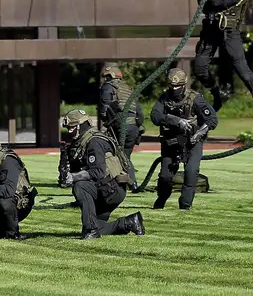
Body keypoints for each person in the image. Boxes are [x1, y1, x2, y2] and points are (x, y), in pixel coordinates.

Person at [59, 109, 145, 240]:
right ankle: (130, 222)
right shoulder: (81, 142)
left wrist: (73, 177)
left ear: (81, 125)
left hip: (111, 189)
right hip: (107, 188)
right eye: (68, 128)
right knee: (98, 226)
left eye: (72, 127)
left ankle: (91, 231)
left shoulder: (94, 142)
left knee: (80, 186)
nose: (69, 131)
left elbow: (98, 172)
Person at [150, 68, 218, 210]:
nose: (174, 89)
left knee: (191, 172)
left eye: (178, 86)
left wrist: (199, 133)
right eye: (172, 86)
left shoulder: (195, 99)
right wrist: (175, 120)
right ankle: (161, 199)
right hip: (171, 141)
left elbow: (212, 119)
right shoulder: (164, 99)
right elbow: (155, 116)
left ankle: (185, 205)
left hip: (192, 141)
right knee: (165, 176)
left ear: (184, 84)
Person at [98, 62, 144, 192]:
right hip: (133, 127)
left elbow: (104, 109)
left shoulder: (108, 87)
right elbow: (139, 113)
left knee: (113, 155)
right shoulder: (128, 89)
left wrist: (106, 122)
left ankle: (122, 182)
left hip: (119, 126)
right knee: (125, 156)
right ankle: (132, 183)